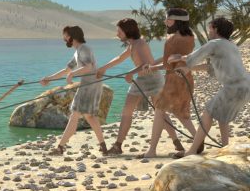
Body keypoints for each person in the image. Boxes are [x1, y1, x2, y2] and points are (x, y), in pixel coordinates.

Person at [168, 16, 250, 157]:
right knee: (222, 117)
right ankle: (226, 150)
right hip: (246, 86)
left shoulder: (215, 43)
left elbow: (194, 57)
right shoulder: (231, 45)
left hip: (233, 87)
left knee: (208, 112)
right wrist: (188, 68)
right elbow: (210, 67)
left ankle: (192, 151)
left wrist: (179, 59)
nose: (209, 31)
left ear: (216, 29)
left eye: (210, 28)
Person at [95, 18, 164, 155]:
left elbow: (145, 65)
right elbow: (120, 58)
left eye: (119, 31)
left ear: (127, 31)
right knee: (127, 111)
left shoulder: (140, 43)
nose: (117, 34)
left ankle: (177, 143)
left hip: (153, 80)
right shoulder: (132, 44)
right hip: (141, 80)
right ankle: (118, 146)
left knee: (161, 113)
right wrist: (103, 68)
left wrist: (130, 73)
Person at [40, 26, 109, 155]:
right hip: (93, 84)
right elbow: (67, 70)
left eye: (65, 35)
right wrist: (49, 78)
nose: (64, 38)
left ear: (72, 36)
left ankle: (60, 147)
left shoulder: (84, 49)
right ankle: (103, 146)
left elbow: (88, 67)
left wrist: (72, 74)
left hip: (89, 85)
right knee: (90, 116)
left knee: (75, 114)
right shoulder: (78, 51)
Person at [142, 8, 197, 158]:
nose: (165, 22)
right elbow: (180, 59)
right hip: (187, 78)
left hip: (173, 81)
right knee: (181, 113)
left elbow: (167, 65)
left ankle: (152, 150)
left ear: (177, 21)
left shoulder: (171, 39)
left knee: (162, 111)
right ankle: (198, 141)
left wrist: (152, 68)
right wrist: (154, 66)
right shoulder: (191, 37)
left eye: (168, 19)